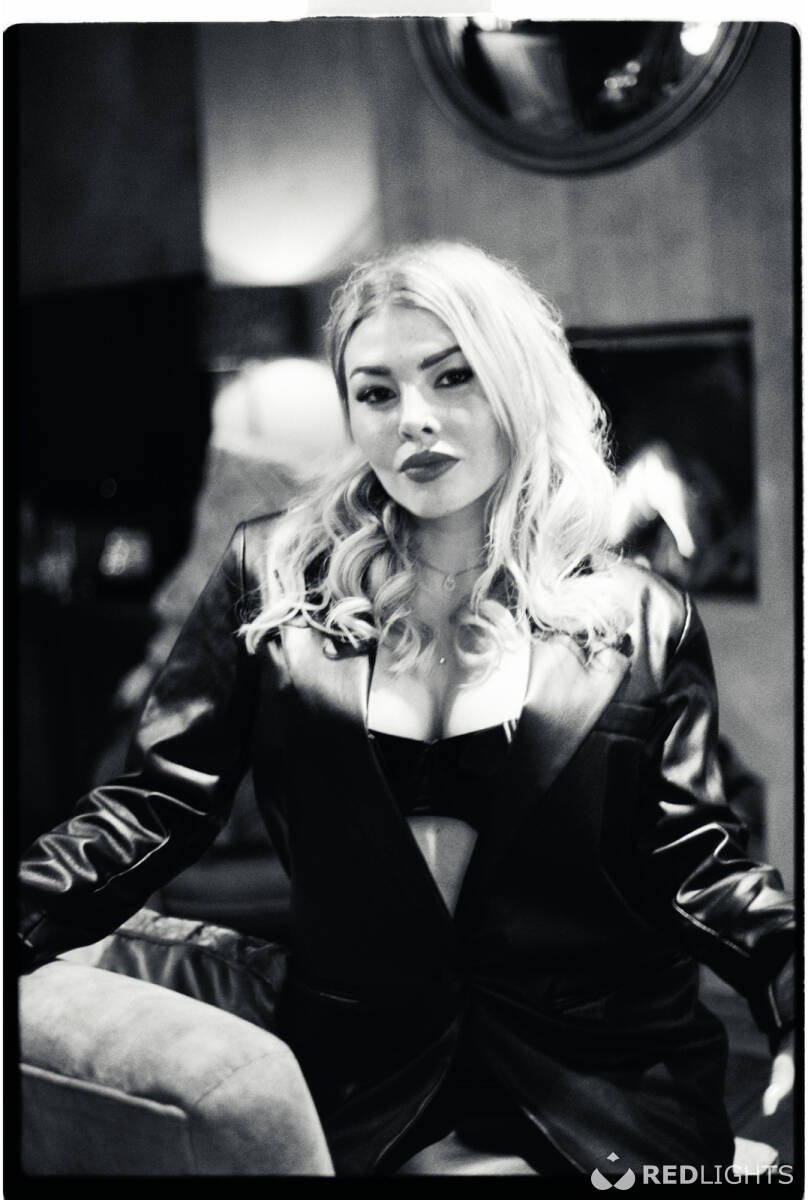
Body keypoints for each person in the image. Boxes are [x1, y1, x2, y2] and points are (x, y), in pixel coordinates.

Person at [18, 241, 795, 1178]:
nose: (414, 419)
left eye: (451, 376)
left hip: (602, 1077)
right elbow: (156, 803)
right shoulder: (270, 574)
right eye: (376, 392)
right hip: (364, 1074)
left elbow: (698, 857)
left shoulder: (641, 614)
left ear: (516, 383)